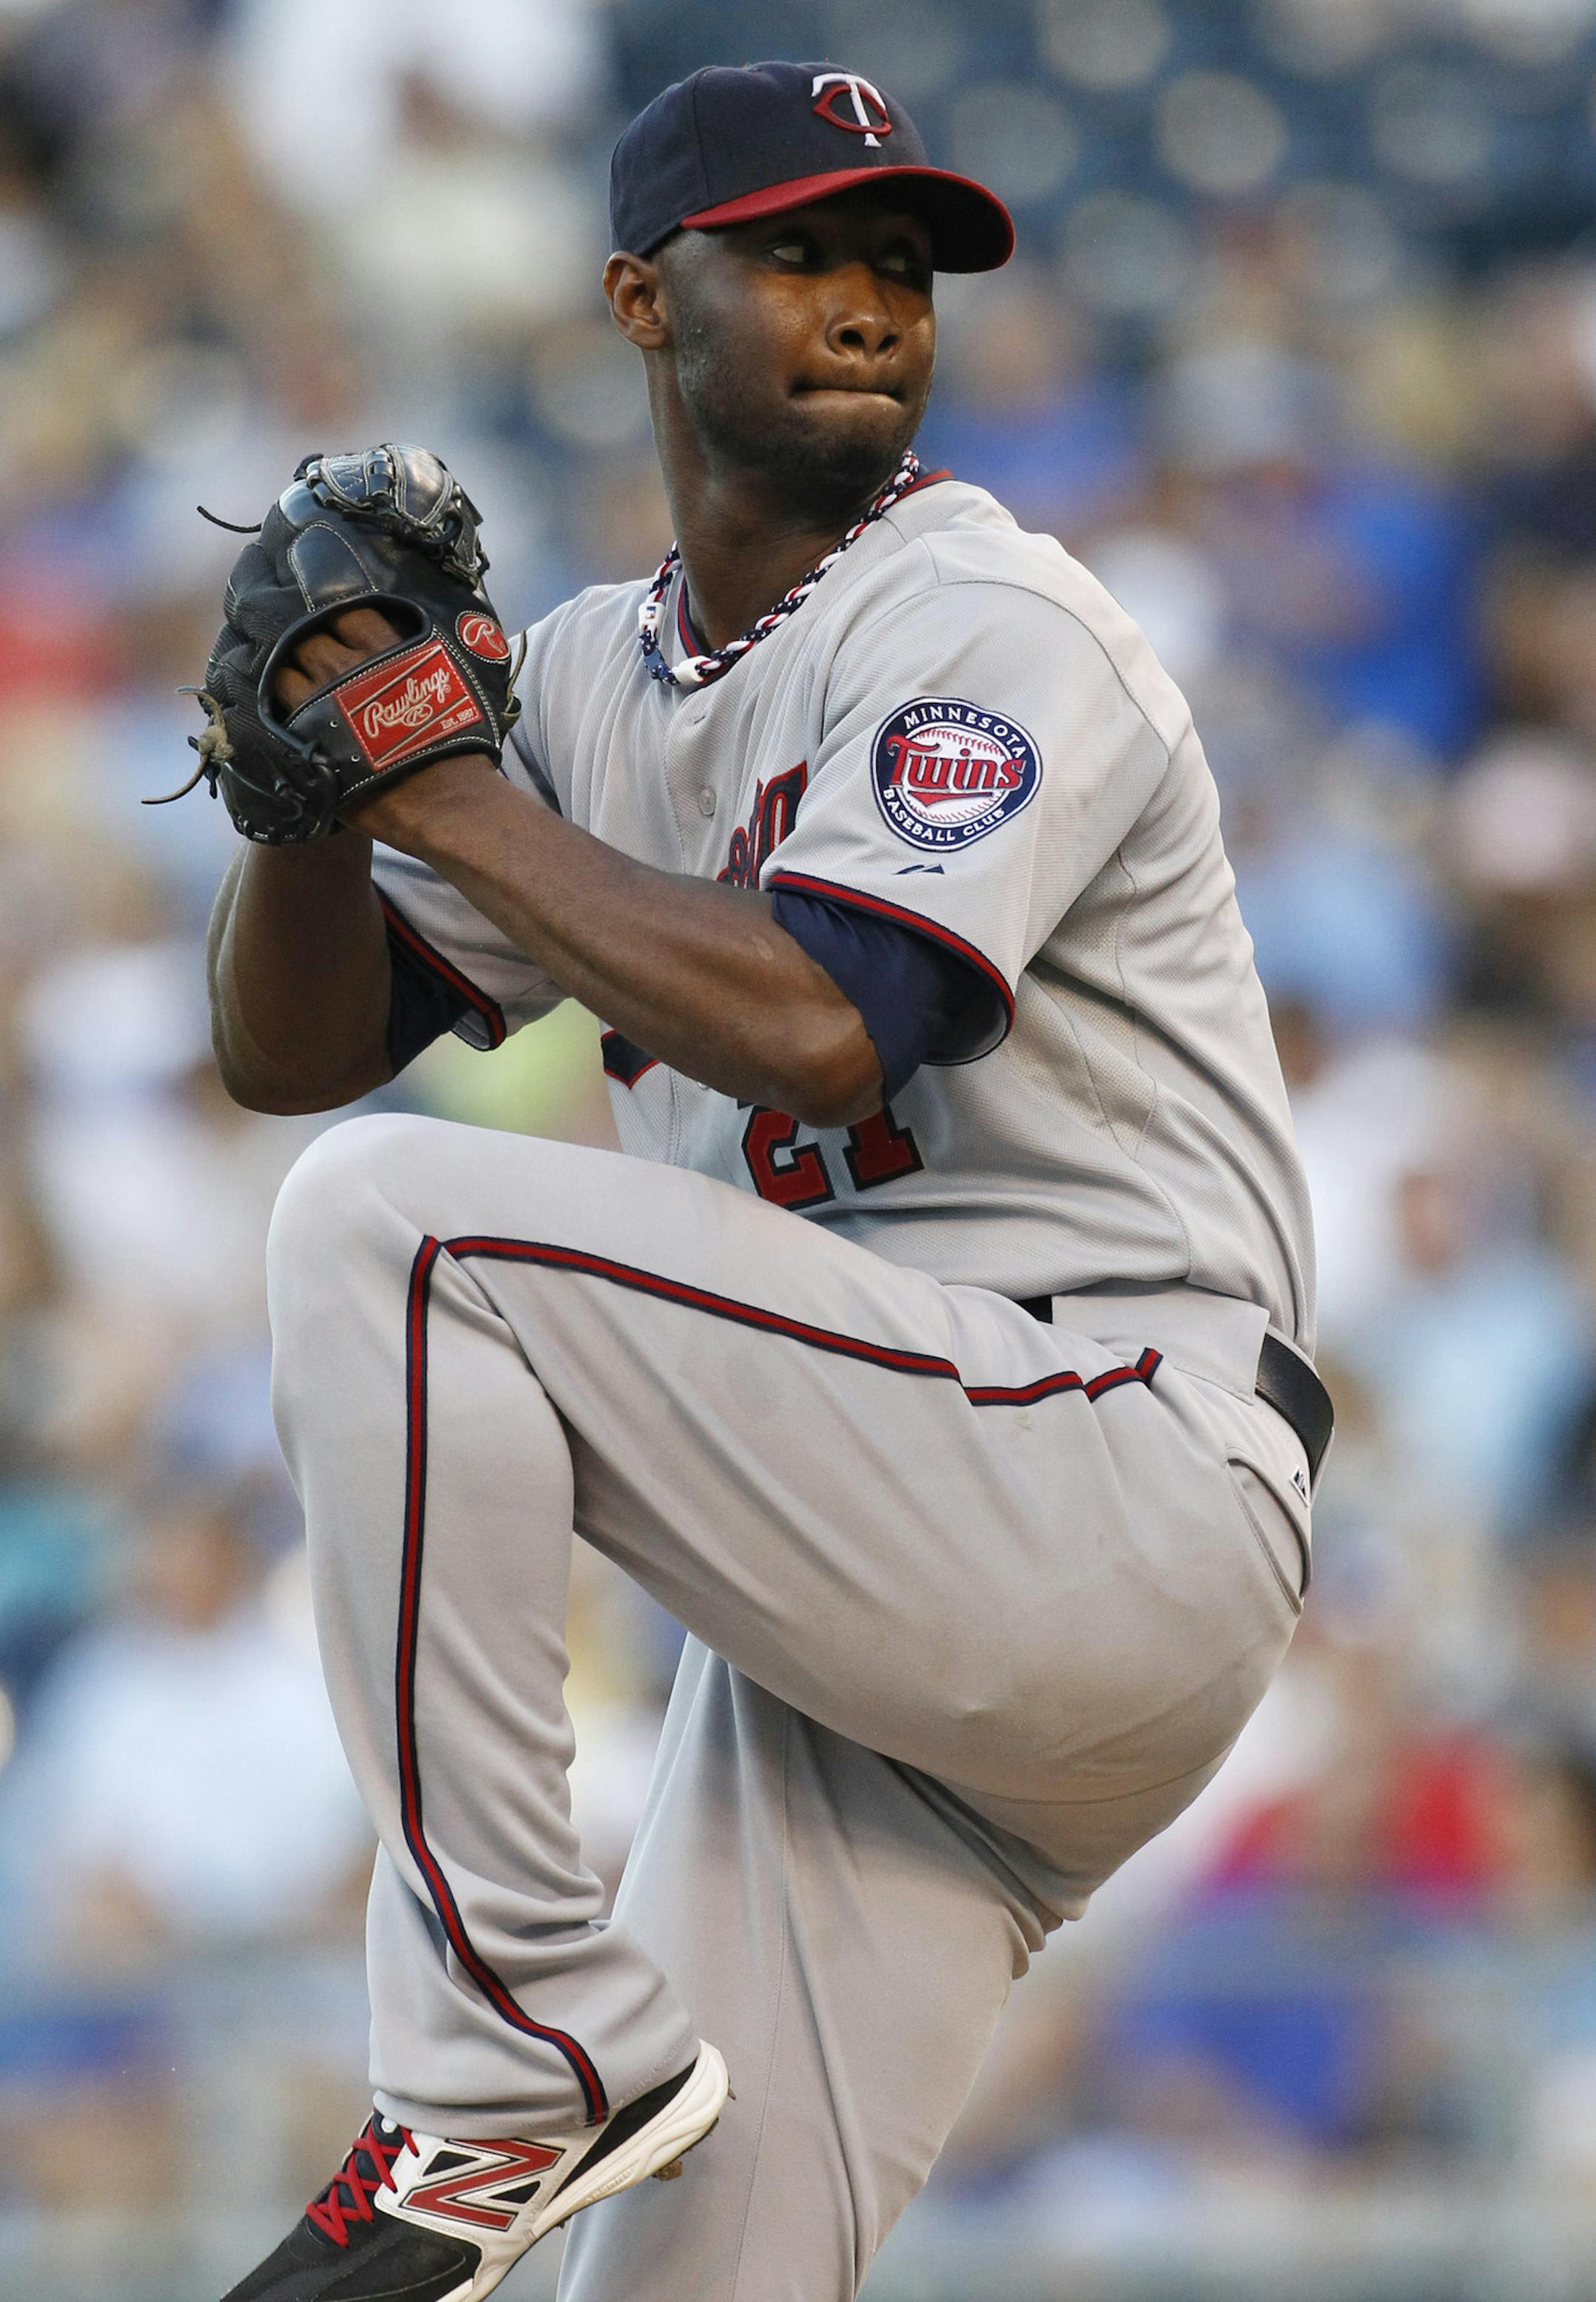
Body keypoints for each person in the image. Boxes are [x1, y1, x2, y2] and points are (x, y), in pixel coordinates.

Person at [208, 60, 1329, 2302]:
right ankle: (536, 2067)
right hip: (889, 1623)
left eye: (901, 269)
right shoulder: (603, 681)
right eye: (802, 252)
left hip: (1109, 1459)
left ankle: (507, 2055)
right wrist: (313, 796)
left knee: (397, 1228)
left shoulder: (993, 620)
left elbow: (830, 1020)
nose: (868, 305)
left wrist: (431, 778)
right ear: (644, 296)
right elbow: (288, 1046)